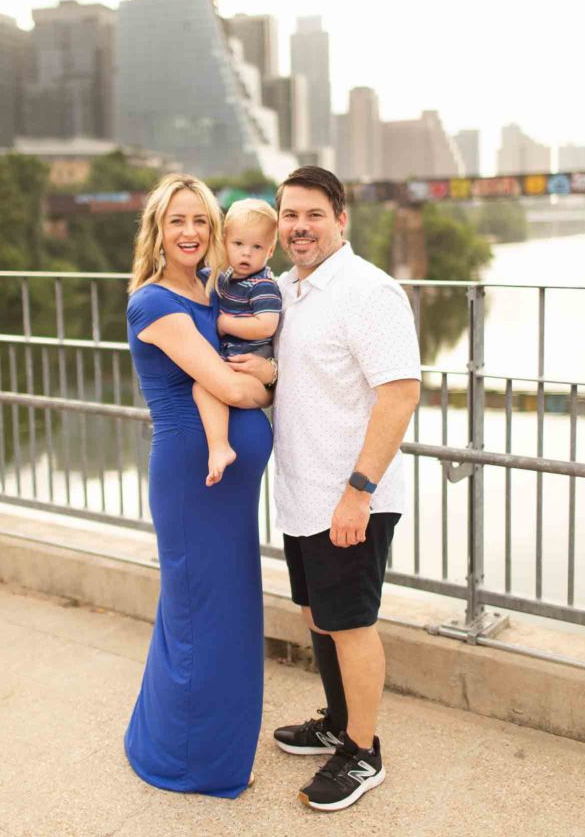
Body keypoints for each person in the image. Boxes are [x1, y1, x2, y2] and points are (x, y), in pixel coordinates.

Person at [228, 166, 421, 812]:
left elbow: (399, 392)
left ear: (341, 220)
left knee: (352, 623)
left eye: (313, 214)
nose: (299, 227)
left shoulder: (368, 291)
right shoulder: (286, 289)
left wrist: (358, 491)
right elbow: (312, 380)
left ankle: (362, 753)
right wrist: (269, 374)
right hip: (302, 490)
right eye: (288, 215)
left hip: (350, 494)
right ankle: (338, 722)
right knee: (318, 617)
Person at [123, 173, 274, 799]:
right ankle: (187, 759)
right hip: (193, 477)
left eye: (201, 221)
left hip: (227, 486)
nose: (190, 232)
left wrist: (263, 367)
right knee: (196, 615)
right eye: (177, 220)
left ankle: (205, 743)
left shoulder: (211, 290)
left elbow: (251, 350)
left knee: (228, 612)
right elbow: (235, 388)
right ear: (157, 229)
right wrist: (264, 381)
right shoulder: (154, 302)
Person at [193, 198, 282, 486]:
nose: (246, 254)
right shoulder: (225, 278)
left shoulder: (263, 285)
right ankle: (219, 446)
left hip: (250, 365)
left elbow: (266, 325)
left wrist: (223, 323)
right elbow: (203, 274)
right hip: (232, 363)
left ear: (270, 250)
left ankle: (220, 447)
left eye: (257, 247)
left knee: (204, 386)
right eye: (239, 244)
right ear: (224, 242)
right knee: (206, 387)